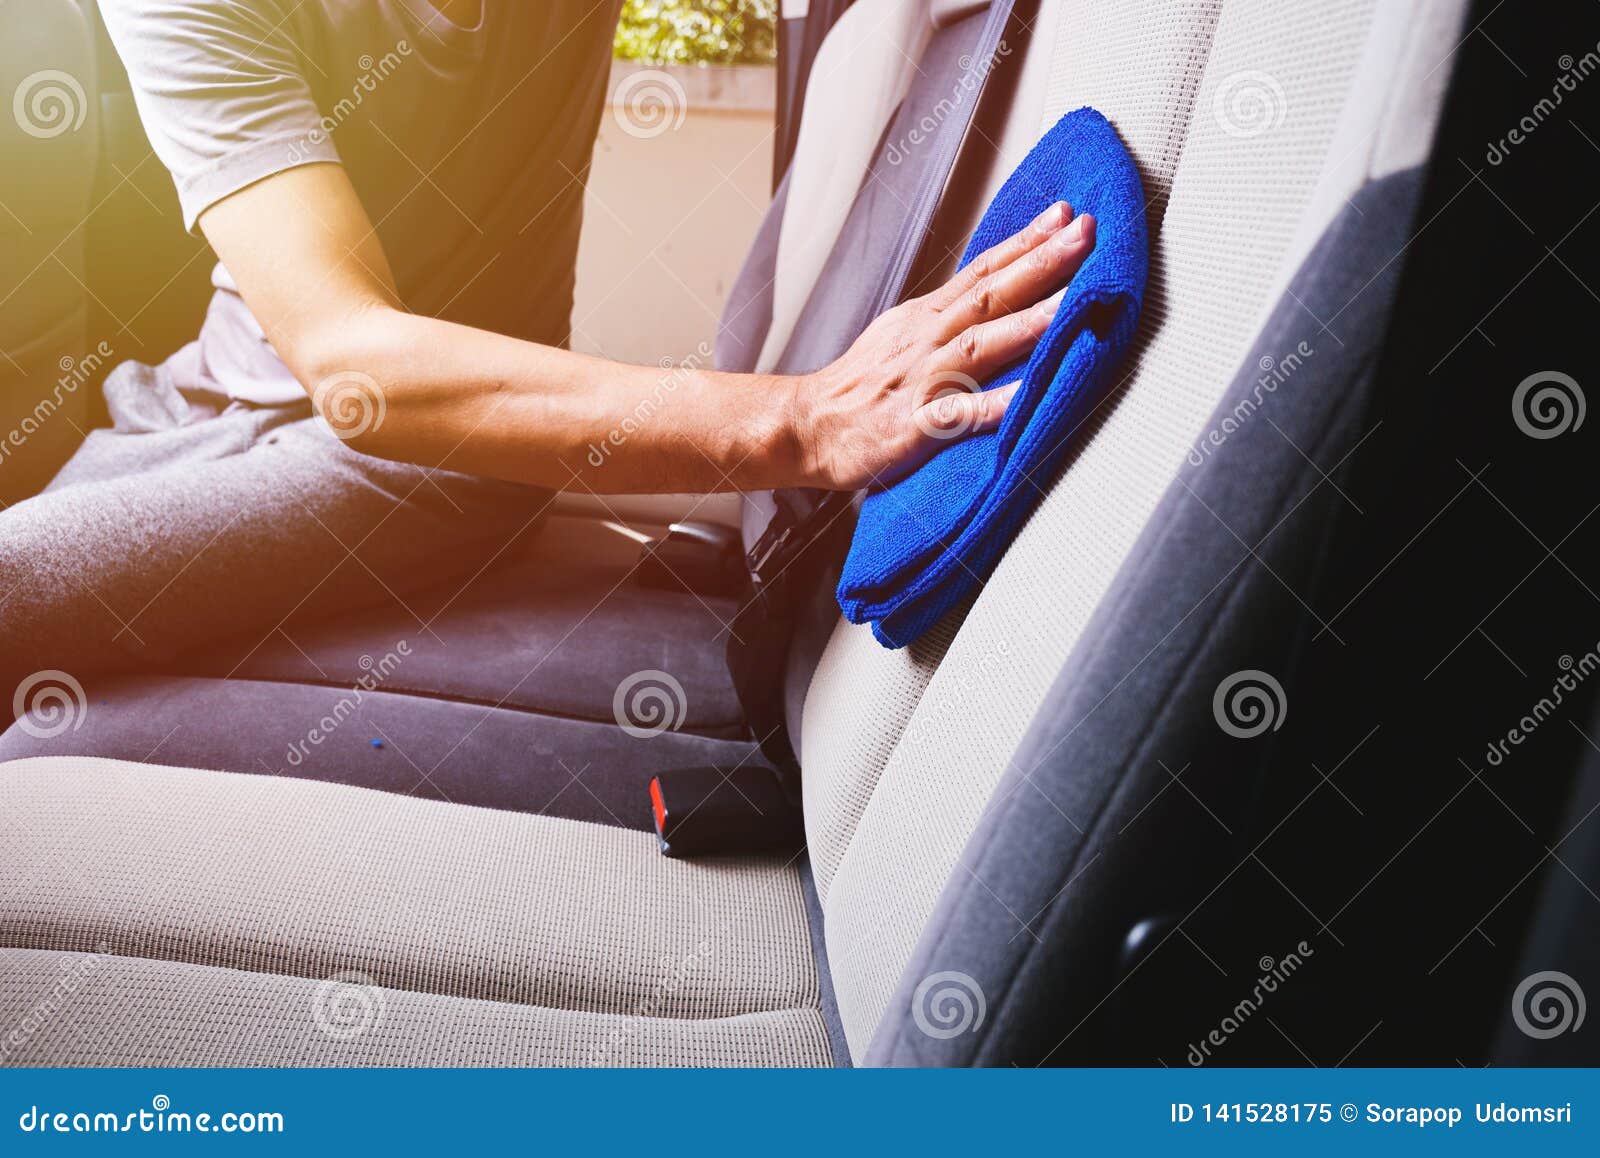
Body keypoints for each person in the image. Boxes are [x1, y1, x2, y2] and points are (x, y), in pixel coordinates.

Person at [0, 0, 1095, 699]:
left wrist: (804, 422)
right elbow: (349, 356)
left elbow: (373, 406)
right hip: (224, 410)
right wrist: (798, 416)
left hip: (416, 465)